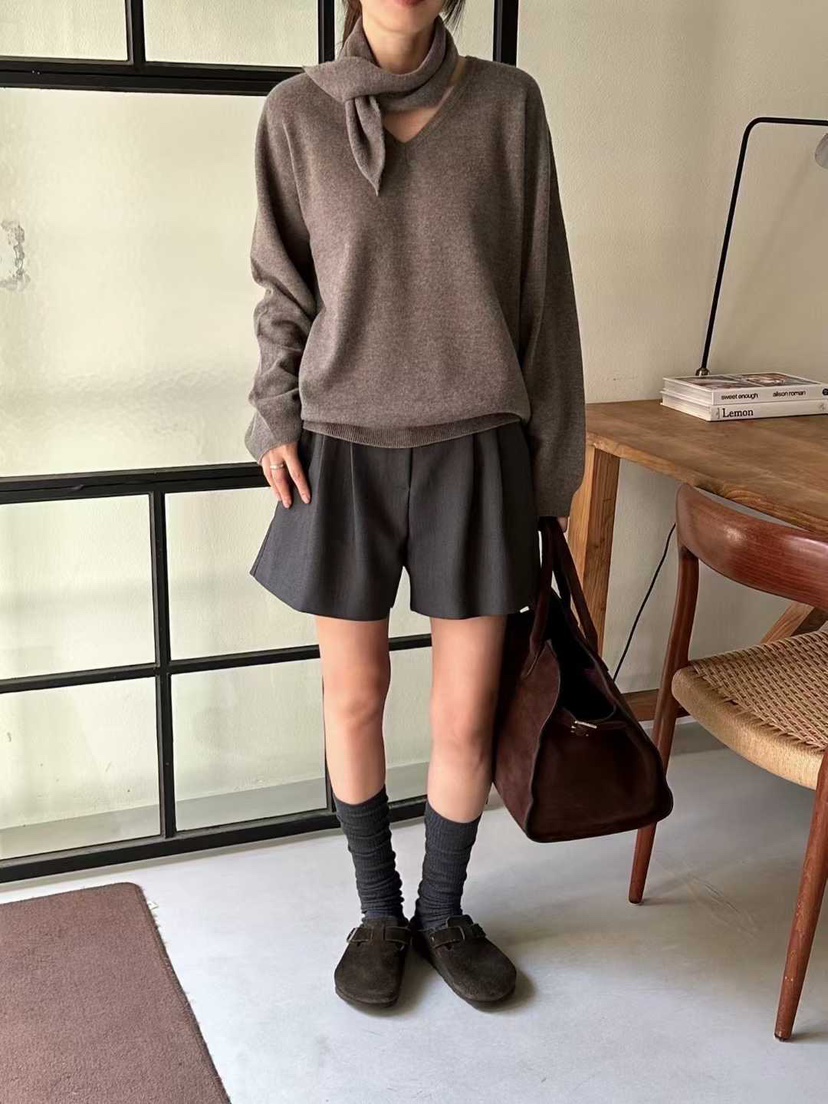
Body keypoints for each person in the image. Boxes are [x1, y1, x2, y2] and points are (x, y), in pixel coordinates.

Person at [244, 0, 585, 1008]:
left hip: (476, 448)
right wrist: (273, 416)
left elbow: (544, 296)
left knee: (466, 710)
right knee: (353, 697)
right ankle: (378, 914)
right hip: (338, 450)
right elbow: (282, 288)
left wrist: (550, 473)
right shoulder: (295, 114)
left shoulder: (509, 106)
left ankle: (442, 911)